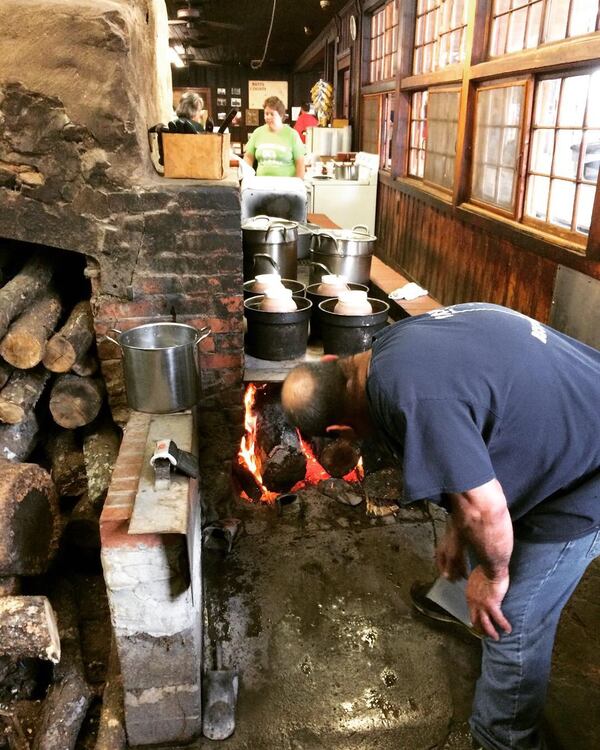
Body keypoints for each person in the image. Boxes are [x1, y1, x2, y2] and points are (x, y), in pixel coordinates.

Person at [280, 302, 600, 750]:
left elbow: (484, 509)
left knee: (515, 619)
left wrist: (494, 575)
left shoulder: (409, 398)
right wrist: (457, 529)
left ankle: (502, 737)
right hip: (565, 405)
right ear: (333, 361)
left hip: (586, 471)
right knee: (477, 534)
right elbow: (465, 456)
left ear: (337, 427)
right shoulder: (387, 346)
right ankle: (458, 603)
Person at [244, 96, 305, 178]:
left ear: (281, 115)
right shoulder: (257, 132)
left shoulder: (292, 134)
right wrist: (247, 177)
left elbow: (300, 163)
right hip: (261, 185)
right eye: (266, 114)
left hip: (287, 187)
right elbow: (248, 157)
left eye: (272, 114)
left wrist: (298, 184)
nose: (268, 117)